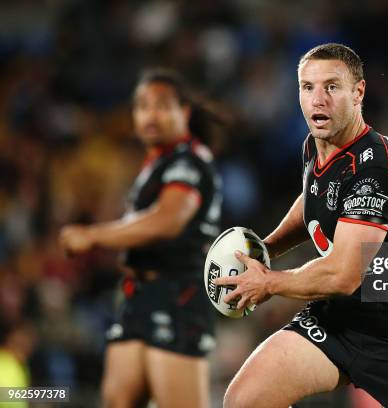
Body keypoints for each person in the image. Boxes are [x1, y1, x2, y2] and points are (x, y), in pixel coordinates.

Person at [216, 43, 388, 408]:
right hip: (341, 320)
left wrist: (270, 282)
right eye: (308, 87)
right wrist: (266, 249)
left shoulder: (375, 171)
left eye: (331, 86)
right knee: (245, 400)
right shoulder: (316, 145)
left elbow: (344, 274)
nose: (318, 99)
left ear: (358, 92)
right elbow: (313, 200)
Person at [59, 68, 224, 408]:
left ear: (185, 113)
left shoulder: (190, 161)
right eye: (142, 106)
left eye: (162, 105)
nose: (151, 114)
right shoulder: (155, 166)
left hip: (176, 296)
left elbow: (168, 220)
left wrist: (93, 235)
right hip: (137, 297)